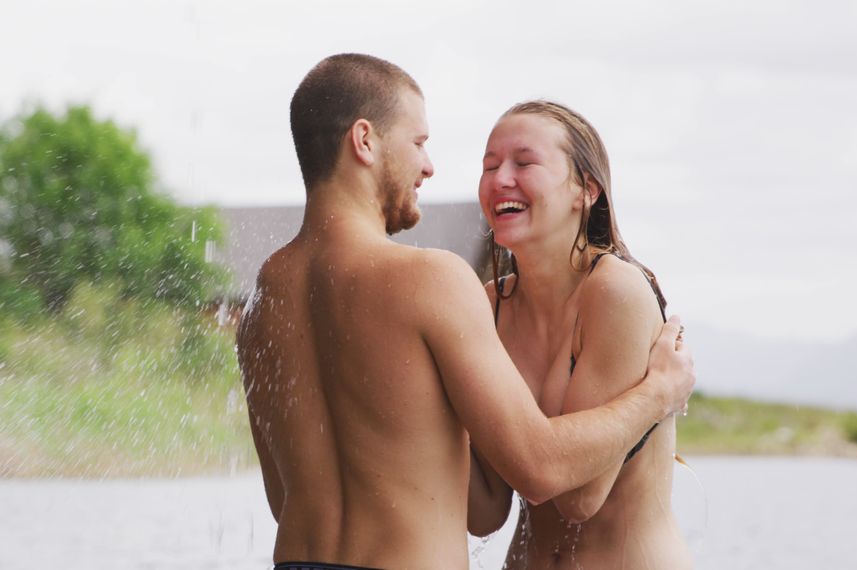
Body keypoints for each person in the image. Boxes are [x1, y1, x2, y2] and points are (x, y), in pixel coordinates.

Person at [236, 54, 695, 570]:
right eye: (419, 143)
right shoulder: (439, 283)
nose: (430, 166)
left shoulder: (261, 300)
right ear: (364, 141)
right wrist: (659, 394)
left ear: (586, 191)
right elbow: (533, 473)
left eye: (523, 163)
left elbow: (285, 498)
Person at [468, 100, 693, 569]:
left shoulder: (614, 289)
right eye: (490, 166)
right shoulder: (491, 305)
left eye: (524, 162)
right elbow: (484, 509)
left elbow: (579, 496)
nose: (500, 178)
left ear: (585, 190)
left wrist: (658, 395)